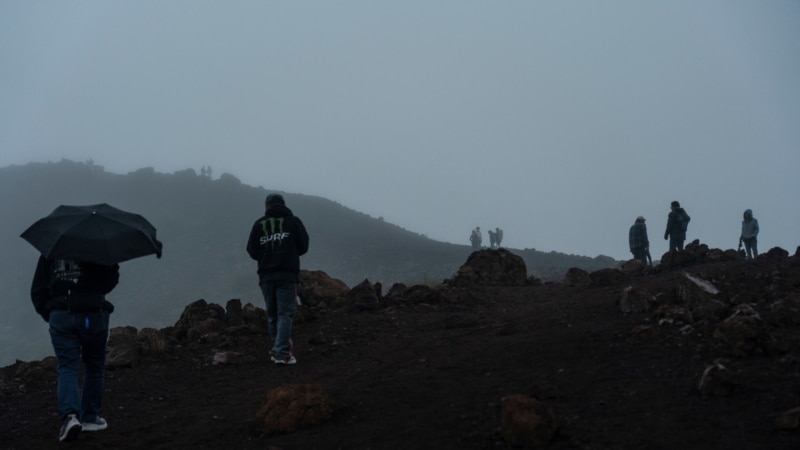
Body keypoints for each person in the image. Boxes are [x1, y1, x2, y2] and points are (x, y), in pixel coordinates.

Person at [30, 257, 119, 442]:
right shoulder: (97, 246)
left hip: (61, 314)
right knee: (94, 366)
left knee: (67, 366)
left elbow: (38, 290)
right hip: (93, 314)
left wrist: (52, 313)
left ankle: (70, 417)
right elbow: (110, 282)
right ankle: (90, 417)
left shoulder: (52, 248)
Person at [247, 193, 309, 365]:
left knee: (273, 314)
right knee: (285, 314)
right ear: (283, 204)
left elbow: (252, 250)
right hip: (287, 275)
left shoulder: (259, 224)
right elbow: (304, 246)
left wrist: (267, 256)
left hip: (266, 276)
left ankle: (277, 350)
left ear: (267, 206)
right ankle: (282, 354)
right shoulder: (293, 222)